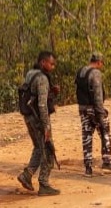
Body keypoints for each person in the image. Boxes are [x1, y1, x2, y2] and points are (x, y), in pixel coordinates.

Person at [17, 51, 60, 196]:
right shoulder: (42, 78)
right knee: (48, 150)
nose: (53, 67)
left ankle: (27, 175)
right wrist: (46, 126)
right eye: (51, 63)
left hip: (28, 117)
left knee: (37, 147)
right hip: (38, 119)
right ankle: (44, 184)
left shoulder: (31, 73)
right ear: (43, 62)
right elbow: (42, 105)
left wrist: (52, 92)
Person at [75, 52, 111, 177]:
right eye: (102, 63)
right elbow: (98, 95)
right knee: (105, 132)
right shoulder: (95, 73)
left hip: (83, 109)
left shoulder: (80, 71)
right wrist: (100, 113)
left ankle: (88, 168)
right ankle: (106, 160)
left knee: (87, 137)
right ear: (99, 62)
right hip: (94, 109)